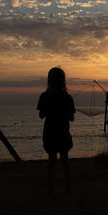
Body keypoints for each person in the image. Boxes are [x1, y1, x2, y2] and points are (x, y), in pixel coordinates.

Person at [37, 67, 75, 195]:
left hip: (50, 134)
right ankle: (68, 189)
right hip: (63, 133)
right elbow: (72, 118)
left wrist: (50, 111)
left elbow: (41, 115)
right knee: (65, 160)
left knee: (51, 162)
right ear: (63, 81)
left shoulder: (44, 97)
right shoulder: (68, 98)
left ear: (49, 81)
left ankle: (51, 190)